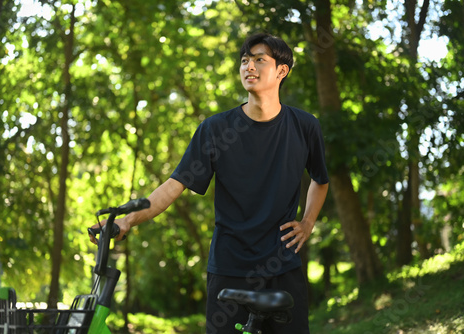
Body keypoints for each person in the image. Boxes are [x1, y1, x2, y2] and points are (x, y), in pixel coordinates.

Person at [90, 32, 329, 334]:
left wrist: (307, 222)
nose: (249, 67)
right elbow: (174, 185)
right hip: (229, 269)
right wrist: (127, 221)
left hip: (283, 268)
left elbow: (320, 180)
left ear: (282, 71)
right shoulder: (216, 129)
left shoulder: (305, 126)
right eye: (244, 61)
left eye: (259, 60)